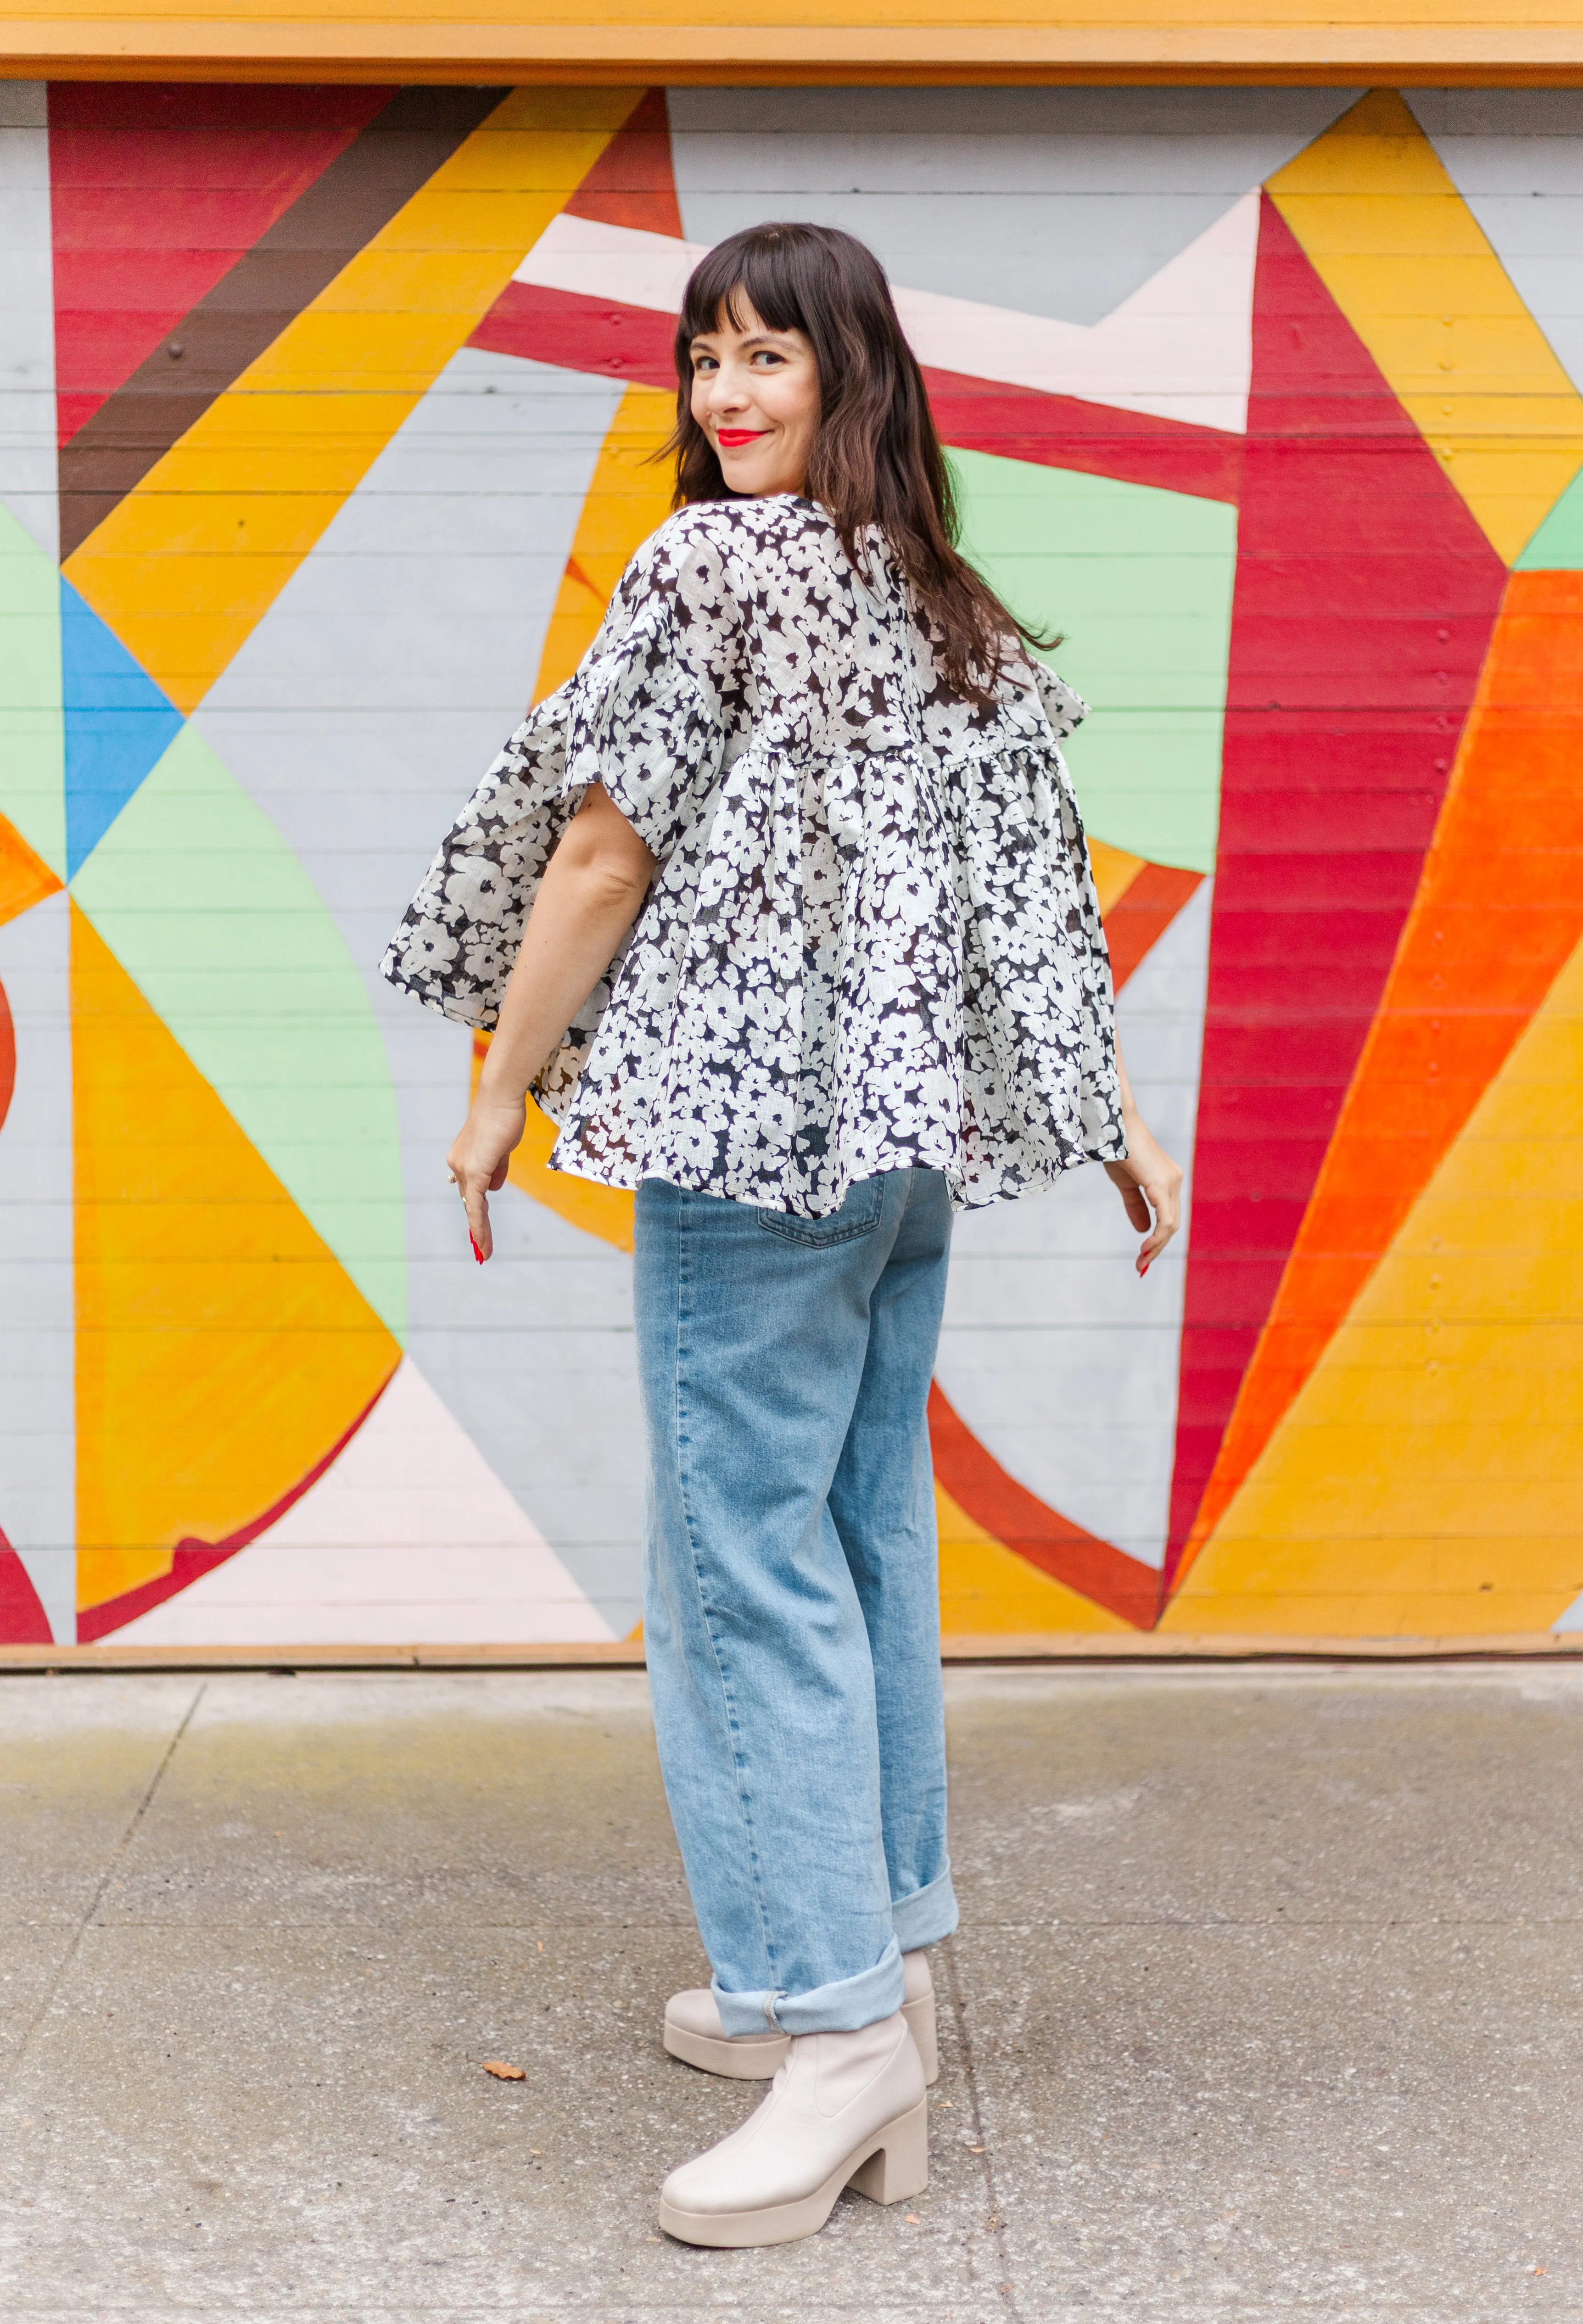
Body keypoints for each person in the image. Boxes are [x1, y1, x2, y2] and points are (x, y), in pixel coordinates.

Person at [383, 221, 1181, 2249]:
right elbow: (1029, 889)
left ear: (853, 378)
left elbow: (595, 844)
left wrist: (497, 1092)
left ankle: (832, 2037)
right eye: (701, 359)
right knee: (853, 1536)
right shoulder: (943, 601)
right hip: (894, 1162)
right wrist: (1105, 1120)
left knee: (746, 1574)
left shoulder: (713, 568)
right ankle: (868, 1975)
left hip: (752, 1160)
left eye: (767, 358)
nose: (726, 395)